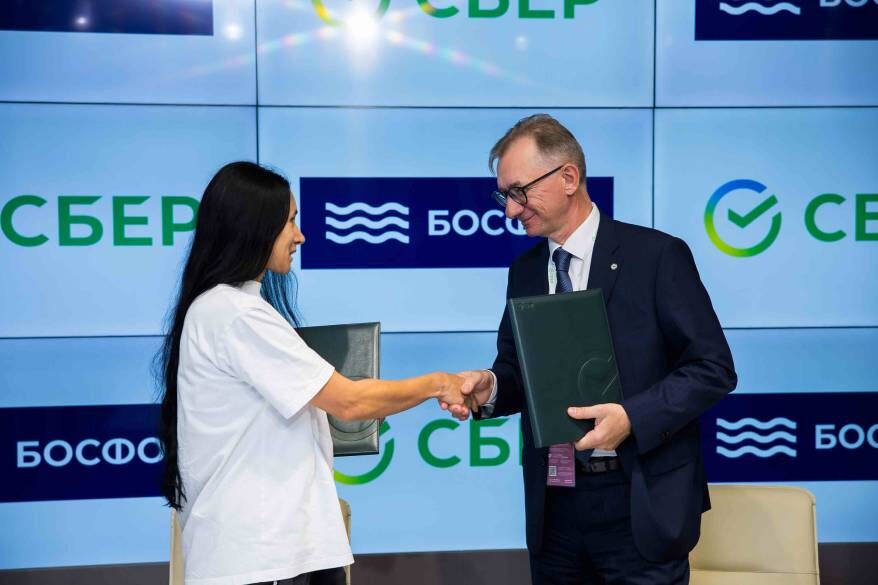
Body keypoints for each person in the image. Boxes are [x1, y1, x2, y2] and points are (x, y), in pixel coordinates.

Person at [445, 115, 737, 584]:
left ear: (568, 177)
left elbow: (712, 368)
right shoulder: (525, 271)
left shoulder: (656, 256)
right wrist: (491, 387)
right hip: (556, 507)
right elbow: (520, 372)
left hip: (639, 503)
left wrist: (632, 417)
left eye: (519, 192)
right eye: (504, 196)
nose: (511, 211)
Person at [157, 161, 469, 585]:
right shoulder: (235, 314)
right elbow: (350, 401)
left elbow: (324, 403)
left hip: (277, 554)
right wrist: (439, 383)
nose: (300, 236)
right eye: (290, 221)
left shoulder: (227, 308)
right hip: (263, 559)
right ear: (255, 227)